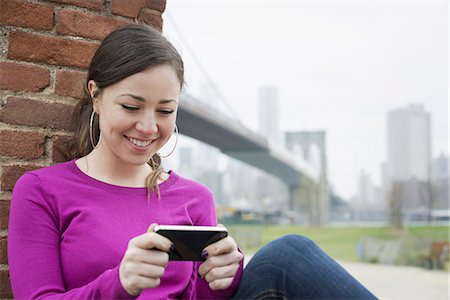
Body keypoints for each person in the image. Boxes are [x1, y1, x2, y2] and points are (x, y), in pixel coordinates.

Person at [8, 24, 377, 300]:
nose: (149, 126)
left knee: (289, 253)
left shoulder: (194, 198)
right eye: (131, 106)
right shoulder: (43, 191)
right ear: (96, 95)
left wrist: (225, 277)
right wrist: (117, 284)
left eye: (165, 110)